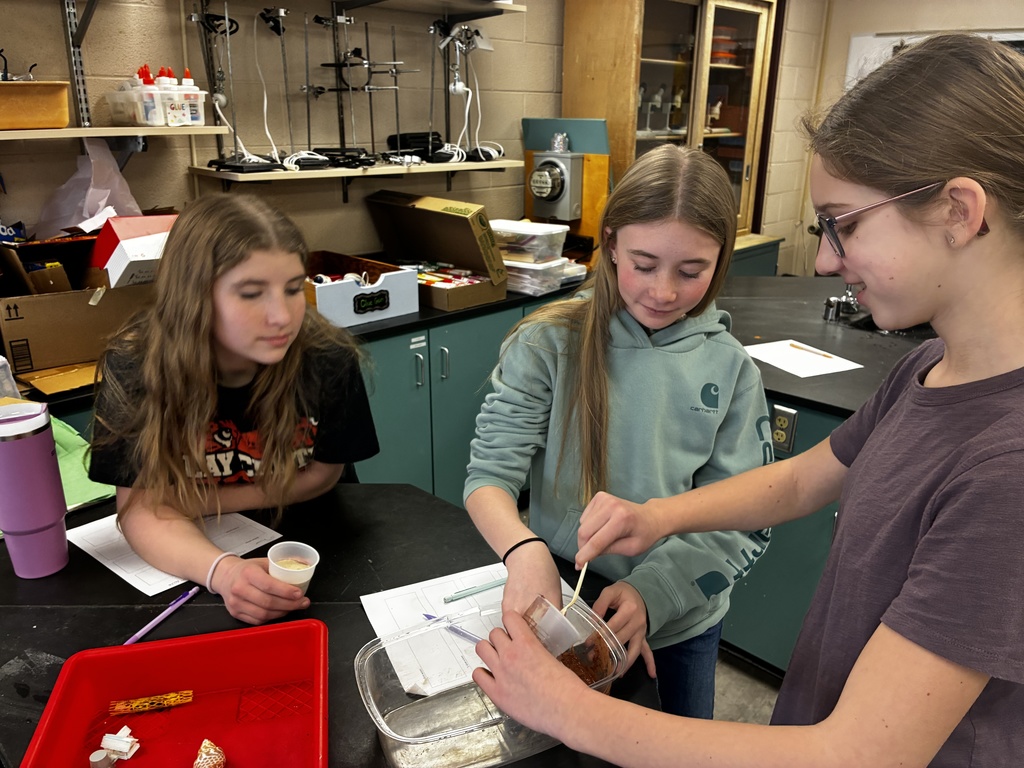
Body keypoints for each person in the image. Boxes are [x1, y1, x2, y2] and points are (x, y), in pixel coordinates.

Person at [471, 32, 1024, 766]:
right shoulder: (927, 369)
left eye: (845, 224)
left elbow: (860, 754)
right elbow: (799, 479)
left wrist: (563, 706)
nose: (825, 259)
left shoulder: (1006, 468)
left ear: (959, 212)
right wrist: (655, 516)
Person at [464, 144, 775, 718]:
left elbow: (741, 519)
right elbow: (489, 477)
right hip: (562, 597)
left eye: (692, 271)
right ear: (610, 244)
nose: (662, 292)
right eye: (643, 263)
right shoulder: (548, 343)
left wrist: (651, 594)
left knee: (676, 750)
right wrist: (522, 549)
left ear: (721, 260)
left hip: (678, 615)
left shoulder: (731, 370)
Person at [89, 194, 379, 625]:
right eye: (250, 293)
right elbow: (140, 510)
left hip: (317, 541)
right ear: (194, 298)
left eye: (294, 288)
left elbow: (323, 472)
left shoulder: (326, 357)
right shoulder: (137, 366)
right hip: (199, 556)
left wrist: (197, 502)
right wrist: (223, 571)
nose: (282, 316)